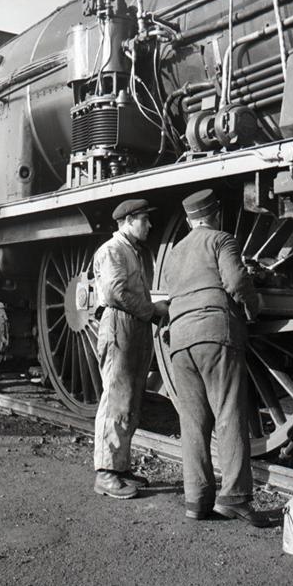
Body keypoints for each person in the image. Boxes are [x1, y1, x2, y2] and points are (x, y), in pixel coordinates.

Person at [165, 189, 269, 527]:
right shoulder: (221, 239)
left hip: (179, 340)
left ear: (188, 220)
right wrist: (253, 307)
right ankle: (235, 497)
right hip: (214, 332)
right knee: (228, 413)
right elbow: (236, 281)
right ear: (216, 215)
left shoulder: (175, 252)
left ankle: (196, 501)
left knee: (193, 422)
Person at [93, 198, 168, 499]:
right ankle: (105, 473)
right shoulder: (112, 250)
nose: (149, 225)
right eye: (144, 220)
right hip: (119, 324)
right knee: (116, 398)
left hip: (133, 325)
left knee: (130, 400)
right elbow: (116, 293)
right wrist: (152, 310)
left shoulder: (130, 250)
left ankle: (120, 467)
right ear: (127, 221)